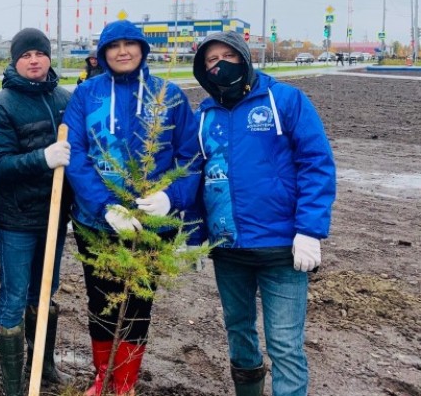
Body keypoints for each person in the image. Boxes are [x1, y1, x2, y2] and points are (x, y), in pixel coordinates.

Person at [192, 31, 336, 396]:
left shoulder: (284, 100)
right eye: (211, 60)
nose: (220, 65)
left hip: (281, 250)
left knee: (285, 344)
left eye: (228, 56)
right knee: (239, 334)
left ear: (244, 57)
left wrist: (309, 230)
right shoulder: (204, 116)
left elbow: (316, 164)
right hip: (228, 249)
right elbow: (195, 178)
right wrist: (193, 236)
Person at [63, 20, 201, 396]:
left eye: (130, 44)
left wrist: (171, 198)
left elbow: (190, 158)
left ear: (142, 49)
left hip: (152, 225)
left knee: (139, 302)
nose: (122, 52)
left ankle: (124, 383)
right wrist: (105, 206)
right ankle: (102, 378)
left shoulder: (170, 96)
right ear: (103, 53)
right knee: (101, 300)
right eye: (114, 46)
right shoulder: (86, 95)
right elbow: (76, 155)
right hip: (97, 223)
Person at [0, 28, 73, 396]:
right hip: (18, 220)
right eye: (26, 55)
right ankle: (13, 384)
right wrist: (42, 158)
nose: (34, 60)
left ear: (49, 57)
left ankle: (44, 364)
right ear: (15, 61)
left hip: (55, 219)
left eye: (39, 53)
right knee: (14, 298)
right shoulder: (2, 105)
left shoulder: (66, 100)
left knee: (45, 293)